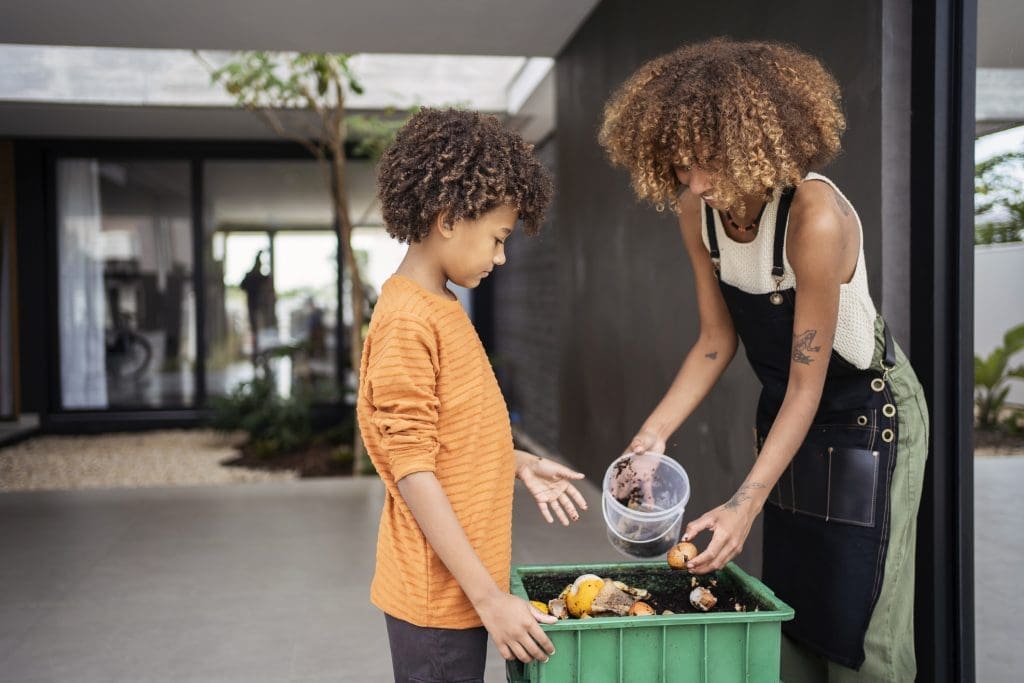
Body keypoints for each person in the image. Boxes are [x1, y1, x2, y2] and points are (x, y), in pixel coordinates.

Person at [599, 39, 929, 682]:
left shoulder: (814, 218)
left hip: (870, 417)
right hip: (788, 420)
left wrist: (742, 505)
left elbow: (810, 386)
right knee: (796, 612)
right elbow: (715, 341)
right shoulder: (698, 211)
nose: (692, 183)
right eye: (680, 166)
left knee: (862, 634)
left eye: (707, 163)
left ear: (759, 143)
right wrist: (649, 439)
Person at [357, 108, 588, 682]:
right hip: (439, 600)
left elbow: (447, 441)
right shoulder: (409, 321)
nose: (501, 258)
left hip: (458, 591)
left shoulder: (441, 307)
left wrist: (516, 462)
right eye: (498, 238)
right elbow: (413, 470)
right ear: (448, 217)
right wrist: (489, 599)